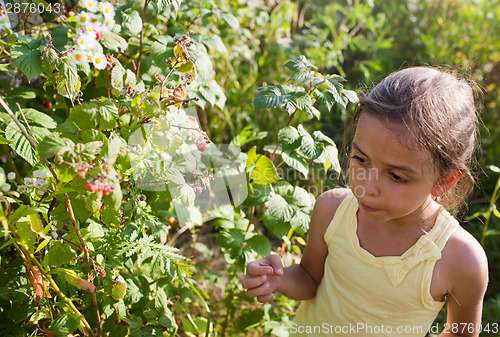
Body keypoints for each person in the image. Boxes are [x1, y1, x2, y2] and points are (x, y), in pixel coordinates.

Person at [241, 67, 489, 337]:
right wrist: (277, 278)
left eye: (396, 176)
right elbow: (310, 279)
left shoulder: (460, 260)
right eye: (360, 160)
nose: (366, 187)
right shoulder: (332, 212)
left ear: (445, 181)